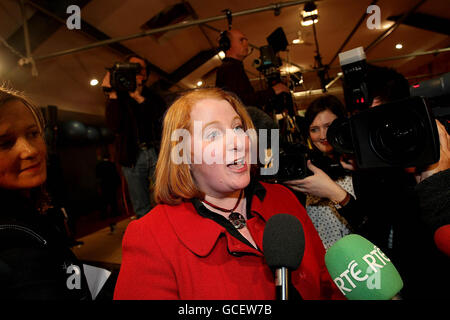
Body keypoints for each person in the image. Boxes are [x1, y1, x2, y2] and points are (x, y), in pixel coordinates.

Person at [113, 88, 343, 300]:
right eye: (213, 134)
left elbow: (327, 285)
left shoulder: (282, 198)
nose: (238, 142)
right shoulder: (150, 236)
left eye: (237, 128)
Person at [0, 86, 91, 300]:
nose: (30, 150)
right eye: (5, 143)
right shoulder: (12, 247)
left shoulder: (26, 212)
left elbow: (71, 278)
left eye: (33, 134)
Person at [284, 95, 362, 250]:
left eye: (329, 126)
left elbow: (372, 227)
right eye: (314, 129)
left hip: (358, 259)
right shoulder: (309, 168)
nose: (322, 136)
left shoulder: (361, 165)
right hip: (321, 260)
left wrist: (335, 193)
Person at [103, 54, 167, 219]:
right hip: (131, 157)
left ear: (145, 73)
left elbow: (161, 119)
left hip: (156, 153)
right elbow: (114, 126)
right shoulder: (118, 98)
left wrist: (139, 97)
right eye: (133, 68)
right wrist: (112, 94)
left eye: (141, 69)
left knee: (167, 200)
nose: (137, 72)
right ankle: (151, 241)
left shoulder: (153, 96)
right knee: (142, 208)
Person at [215, 29, 290, 111]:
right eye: (241, 40)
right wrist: (273, 91)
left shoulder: (233, 67)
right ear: (227, 45)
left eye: (246, 40)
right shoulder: (229, 68)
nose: (246, 43)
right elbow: (240, 101)